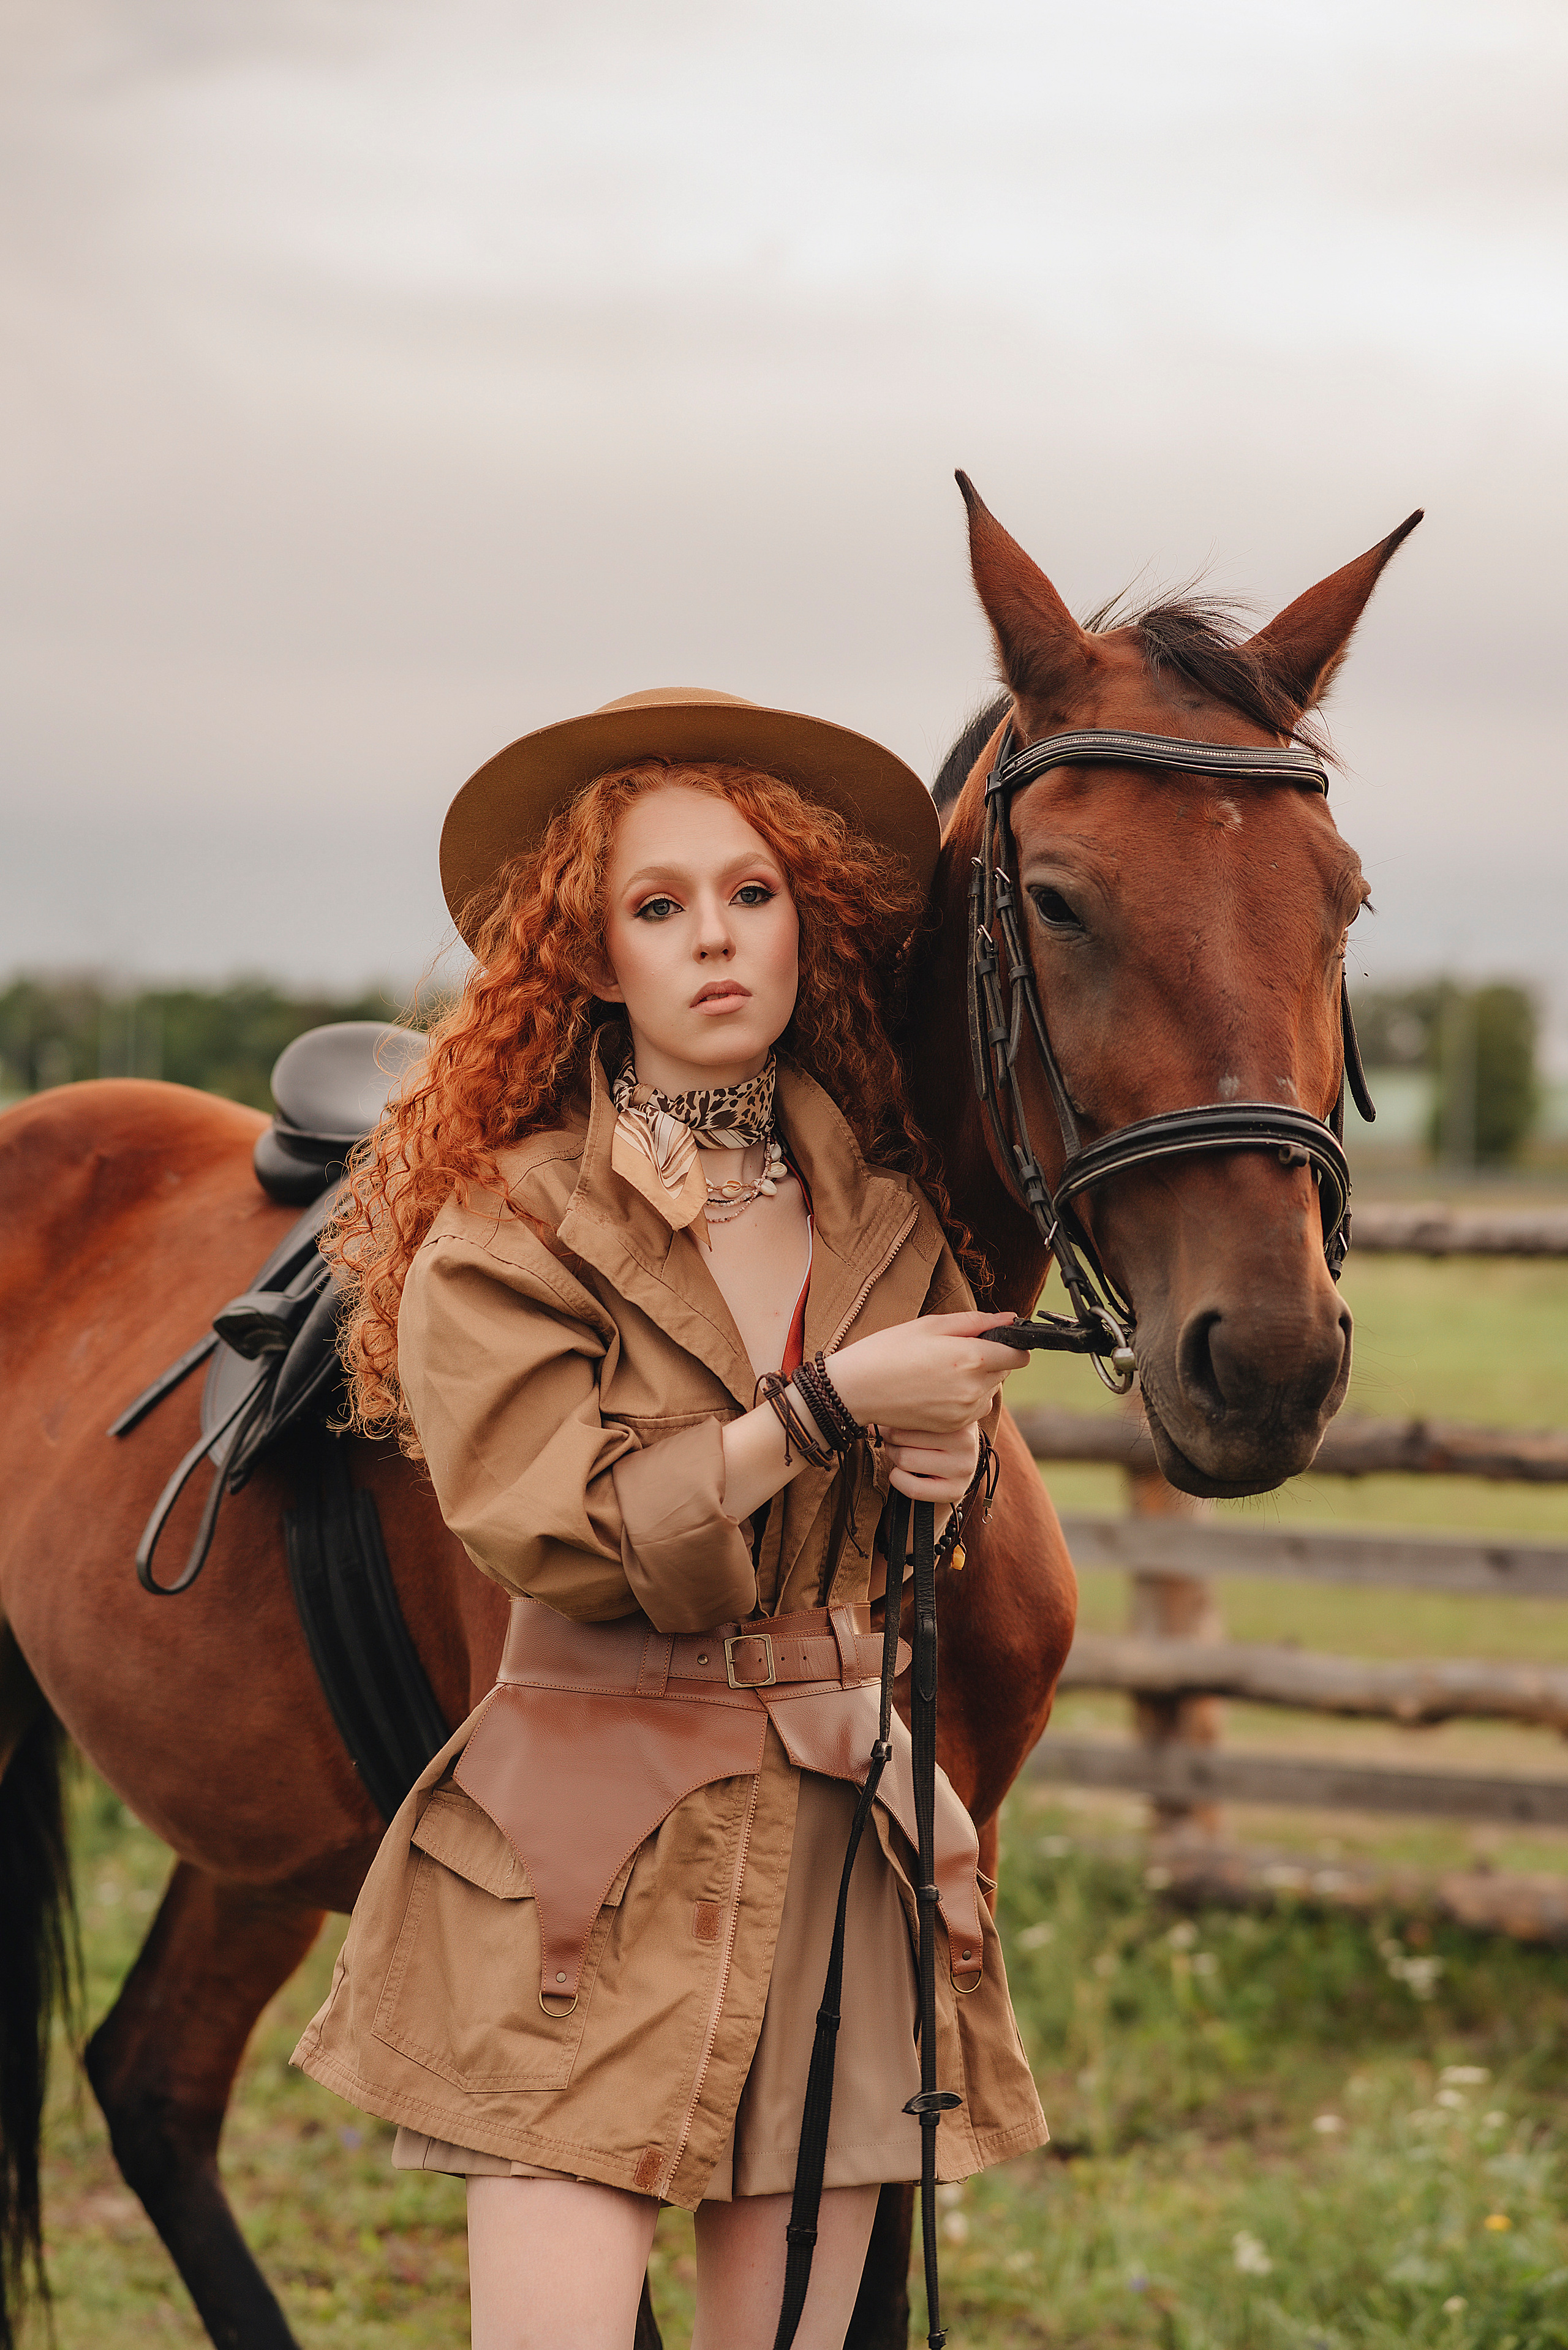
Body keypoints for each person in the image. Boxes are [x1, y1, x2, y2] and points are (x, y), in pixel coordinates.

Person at [293, 687, 1047, 2349]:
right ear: (592, 957)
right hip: (590, 1853)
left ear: (805, 925)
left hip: (842, 1846)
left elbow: (900, 1530)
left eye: (751, 892)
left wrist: (954, 1467)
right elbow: (561, 1532)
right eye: (659, 904)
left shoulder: (894, 1216)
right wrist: (831, 1407)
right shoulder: (508, 1229)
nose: (715, 937)